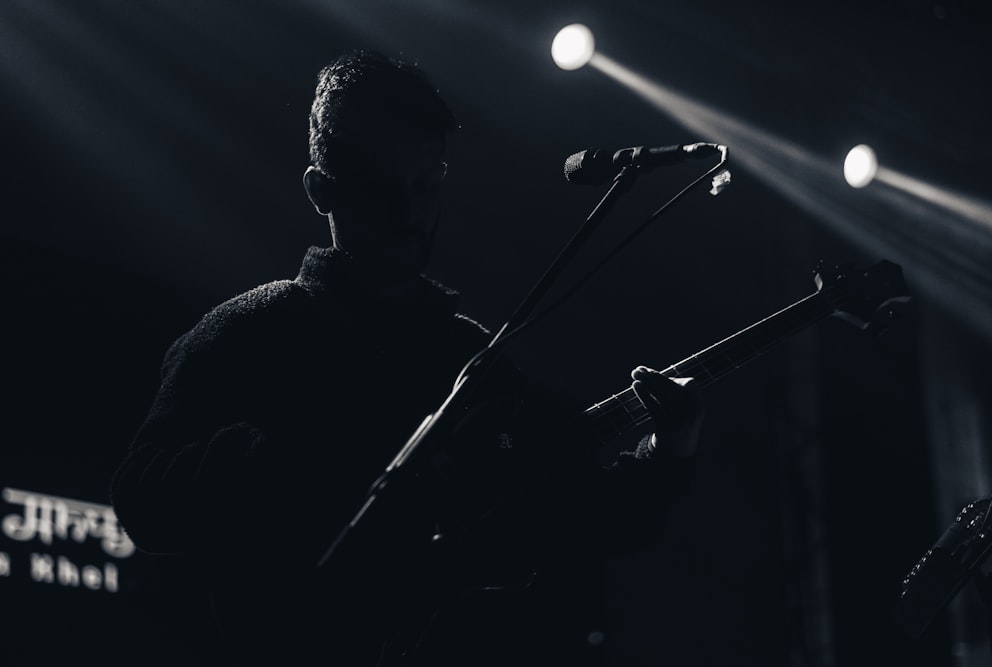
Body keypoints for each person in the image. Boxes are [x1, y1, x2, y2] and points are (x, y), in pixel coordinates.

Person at [110, 49, 704, 667]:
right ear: (322, 190)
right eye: (380, 186)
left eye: (425, 184)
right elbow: (142, 498)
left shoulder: (471, 356)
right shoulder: (254, 329)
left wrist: (667, 452)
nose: (408, 212)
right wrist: (294, 458)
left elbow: (567, 518)